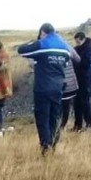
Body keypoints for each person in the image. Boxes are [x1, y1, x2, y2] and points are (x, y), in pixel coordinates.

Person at [18, 23, 70, 155]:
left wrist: (33, 42)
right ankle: (53, 143)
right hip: (58, 87)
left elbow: (22, 50)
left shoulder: (42, 44)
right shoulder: (64, 47)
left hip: (43, 87)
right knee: (54, 116)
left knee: (42, 117)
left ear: (42, 32)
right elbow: (66, 63)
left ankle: (45, 145)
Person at [73, 32, 91, 131]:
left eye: (77, 40)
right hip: (77, 79)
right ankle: (77, 125)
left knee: (85, 102)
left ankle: (89, 124)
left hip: (85, 79)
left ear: (82, 39)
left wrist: (78, 61)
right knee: (76, 103)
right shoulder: (78, 48)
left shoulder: (90, 50)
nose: (76, 42)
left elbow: (87, 64)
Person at [60, 44, 80, 129]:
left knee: (58, 106)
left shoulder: (48, 48)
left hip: (58, 83)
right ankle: (62, 126)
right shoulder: (68, 47)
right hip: (71, 82)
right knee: (66, 106)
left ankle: (58, 126)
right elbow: (78, 59)